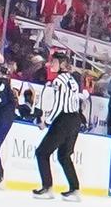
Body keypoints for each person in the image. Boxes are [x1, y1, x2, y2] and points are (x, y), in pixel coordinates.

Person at [32, 66, 86, 199]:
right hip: (75, 119)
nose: (51, 64)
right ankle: (74, 189)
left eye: (54, 61)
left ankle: (47, 187)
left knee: (42, 152)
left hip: (64, 119)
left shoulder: (59, 81)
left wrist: (47, 121)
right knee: (64, 155)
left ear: (61, 64)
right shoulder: (72, 79)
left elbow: (59, 105)